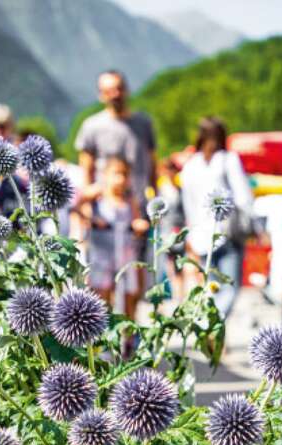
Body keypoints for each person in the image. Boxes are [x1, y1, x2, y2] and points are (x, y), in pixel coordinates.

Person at [180, 117, 253, 318]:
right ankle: (214, 323)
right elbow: (243, 197)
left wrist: (191, 235)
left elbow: (188, 204)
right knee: (230, 287)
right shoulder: (228, 159)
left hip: (201, 237)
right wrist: (253, 224)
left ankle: (214, 332)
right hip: (227, 233)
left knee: (211, 287)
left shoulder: (190, 166)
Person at [79, 156, 149, 318]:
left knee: (129, 294)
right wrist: (91, 219)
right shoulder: (98, 194)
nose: (120, 179)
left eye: (124, 175)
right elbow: (78, 206)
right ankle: (102, 333)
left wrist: (139, 225)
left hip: (124, 253)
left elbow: (137, 219)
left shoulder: (128, 198)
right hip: (102, 255)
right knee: (101, 295)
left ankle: (129, 336)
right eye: (116, 174)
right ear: (105, 175)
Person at [75, 69, 157, 202]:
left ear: (126, 90)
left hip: (141, 206)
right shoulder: (91, 126)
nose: (115, 95)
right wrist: (87, 203)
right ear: (101, 95)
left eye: (119, 88)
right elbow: (86, 171)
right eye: (108, 91)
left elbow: (153, 164)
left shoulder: (144, 123)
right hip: (107, 210)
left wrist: (156, 198)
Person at [157, 157, 186, 301]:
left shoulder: (180, 190)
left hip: (179, 233)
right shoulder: (159, 191)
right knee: (168, 265)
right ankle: (172, 296)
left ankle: (179, 296)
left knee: (179, 266)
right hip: (165, 233)